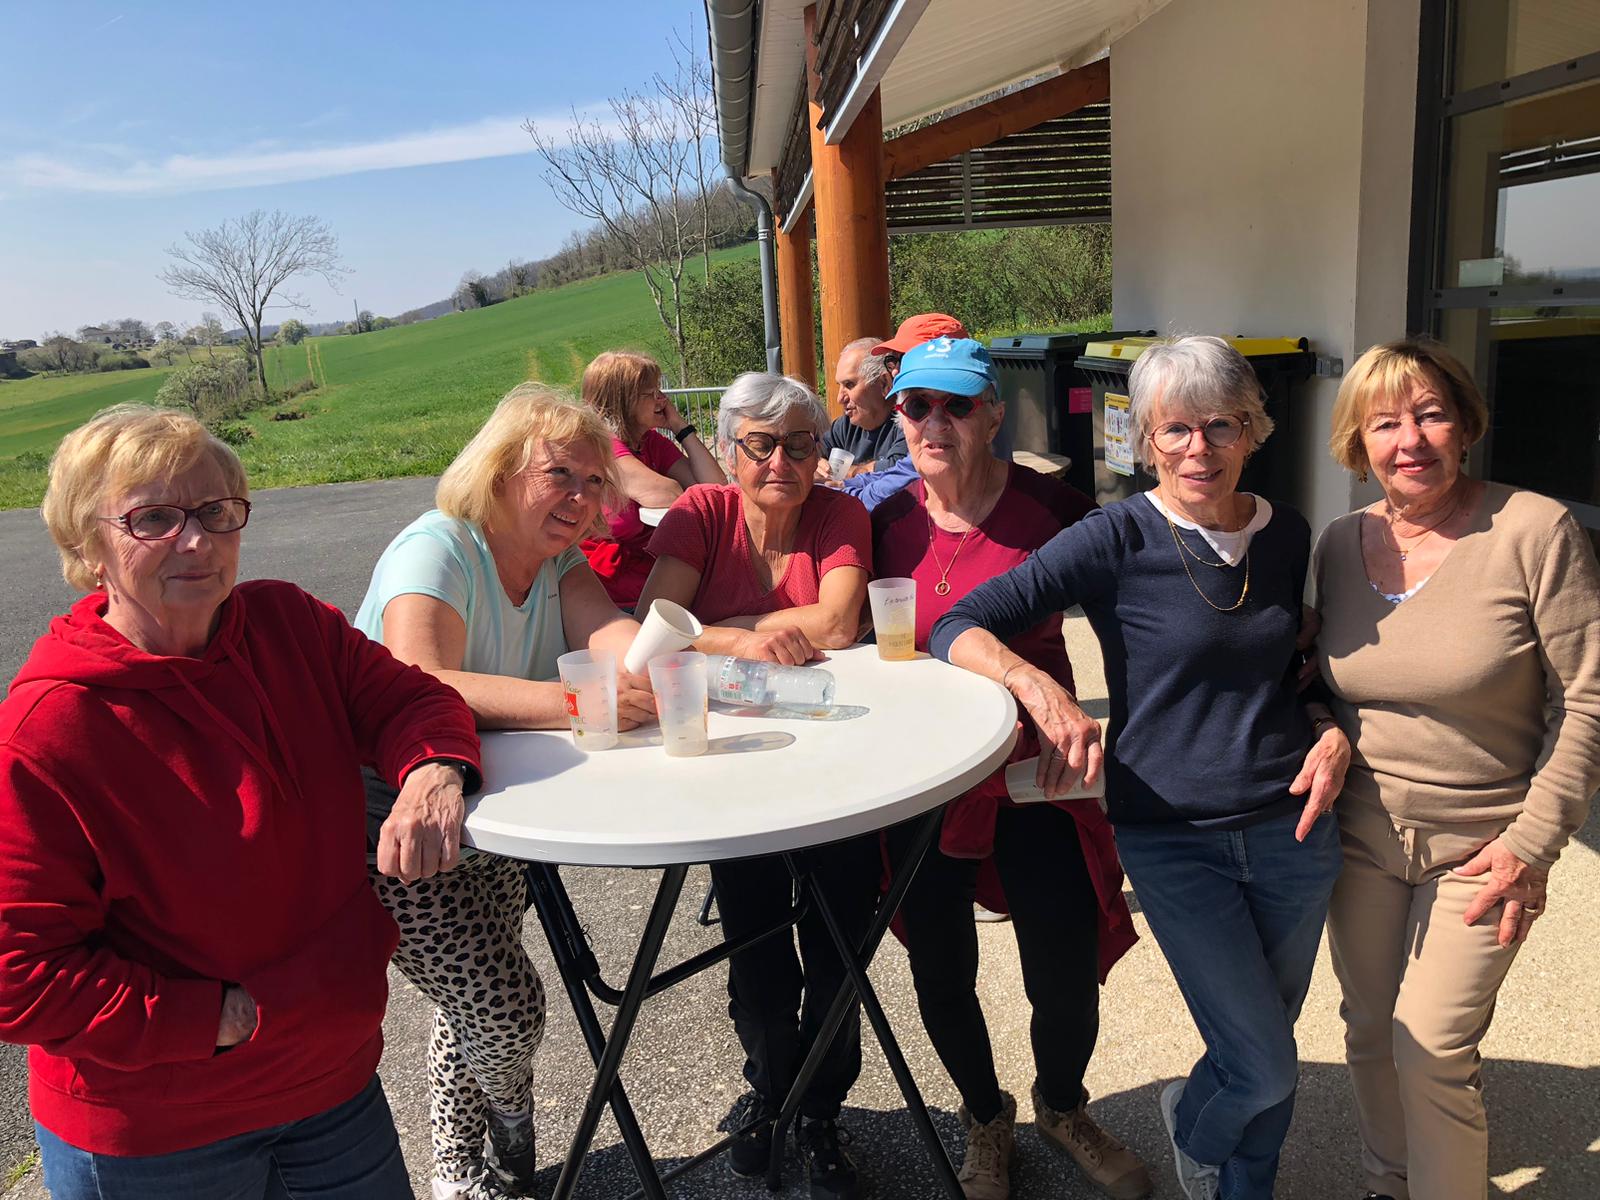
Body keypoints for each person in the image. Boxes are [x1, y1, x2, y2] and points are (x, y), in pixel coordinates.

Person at [0, 404, 480, 1200]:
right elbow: (18, 973)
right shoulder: (49, 731)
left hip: (332, 1090)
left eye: (216, 511)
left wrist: (433, 771)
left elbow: (412, 700)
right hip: (159, 1135)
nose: (196, 541)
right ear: (88, 547)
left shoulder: (289, 626)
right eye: (154, 518)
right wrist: (221, 1020)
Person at [931, 336, 1352, 1200]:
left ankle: (1244, 1189)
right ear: (1147, 440)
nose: (1199, 448)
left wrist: (1326, 723)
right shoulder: (1114, 535)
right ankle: (1193, 1122)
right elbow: (956, 624)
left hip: (1295, 828)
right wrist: (1035, 685)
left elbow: (1292, 666)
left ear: (1253, 431)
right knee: (1265, 1064)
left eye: (1222, 426)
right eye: (1175, 430)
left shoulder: (1287, 533)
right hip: (1174, 837)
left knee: (1264, 1038)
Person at [1313, 338, 1600, 1200]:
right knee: (1369, 1030)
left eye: (1431, 415)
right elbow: (1310, 679)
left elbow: (1587, 700)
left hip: (1484, 844)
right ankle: (1388, 1181)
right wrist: (1322, 728)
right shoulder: (1339, 544)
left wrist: (1532, 845)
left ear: (1466, 425)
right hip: (1362, 838)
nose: (1410, 440)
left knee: (1431, 1046)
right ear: (1358, 443)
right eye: (1384, 423)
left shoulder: (1533, 531)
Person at [353, 384, 654, 1200]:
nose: (581, 499)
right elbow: (421, 679)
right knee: (505, 1007)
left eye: (594, 482)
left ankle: (465, 1167)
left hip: (499, 811)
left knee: (472, 999)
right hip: (397, 818)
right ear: (498, 471)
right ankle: (509, 1128)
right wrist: (581, 703)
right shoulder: (438, 549)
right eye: (560, 475)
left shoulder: (557, 561)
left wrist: (653, 662)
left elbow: (614, 638)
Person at [871, 338, 1149, 1200]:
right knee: (940, 965)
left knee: (1062, 968)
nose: (935, 422)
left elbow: (1144, 612)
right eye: (917, 405)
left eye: (956, 405)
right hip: (922, 776)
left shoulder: (1056, 511)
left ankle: (1062, 1106)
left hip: (1037, 771)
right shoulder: (879, 521)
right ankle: (985, 1116)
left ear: (994, 413)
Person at [635, 372, 874, 1199]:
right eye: (761, 444)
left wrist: (717, 631)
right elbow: (654, 628)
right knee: (757, 950)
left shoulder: (839, 514)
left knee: (840, 951)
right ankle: (773, 1095)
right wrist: (749, 640)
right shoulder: (701, 513)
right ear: (729, 450)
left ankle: (820, 1111)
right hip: (732, 770)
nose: (781, 462)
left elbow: (839, 620)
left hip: (841, 765)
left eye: (800, 444)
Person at [575, 350, 725, 608]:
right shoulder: (602, 448)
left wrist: (680, 427)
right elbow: (667, 494)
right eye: (651, 393)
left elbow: (716, 487)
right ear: (623, 400)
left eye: (659, 390)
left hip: (650, 573)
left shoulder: (649, 442)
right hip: (609, 587)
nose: (662, 399)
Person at [816, 337, 906, 479]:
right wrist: (815, 463)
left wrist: (843, 472)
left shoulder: (910, 421)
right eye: (840, 386)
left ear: (884, 384)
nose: (840, 398)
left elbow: (898, 471)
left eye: (849, 385)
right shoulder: (844, 427)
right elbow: (809, 454)